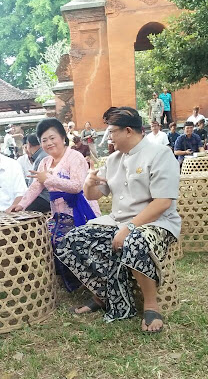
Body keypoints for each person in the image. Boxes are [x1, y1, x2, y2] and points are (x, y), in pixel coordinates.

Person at [55, 106, 181, 333]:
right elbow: (94, 194)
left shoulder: (160, 154)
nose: (108, 138)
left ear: (129, 131)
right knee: (73, 239)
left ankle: (151, 304)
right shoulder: (113, 159)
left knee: (134, 241)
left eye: (112, 132)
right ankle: (106, 294)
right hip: (118, 220)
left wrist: (130, 227)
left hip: (158, 222)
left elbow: (163, 203)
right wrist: (88, 182)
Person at [11, 118, 101, 290]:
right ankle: (66, 278)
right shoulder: (45, 162)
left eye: (52, 138)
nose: (49, 143)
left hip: (79, 212)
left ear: (62, 137)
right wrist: (21, 205)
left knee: (62, 239)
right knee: (42, 236)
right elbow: (36, 186)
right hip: (58, 215)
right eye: (44, 140)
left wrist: (50, 178)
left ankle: (80, 280)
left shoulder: (75, 157)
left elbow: (76, 186)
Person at [23, 133, 51, 212]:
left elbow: (34, 184)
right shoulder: (44, 154)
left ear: (29, 144)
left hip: (45, 197)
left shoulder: (41, 158)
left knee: (23, 208)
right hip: (48, 195)